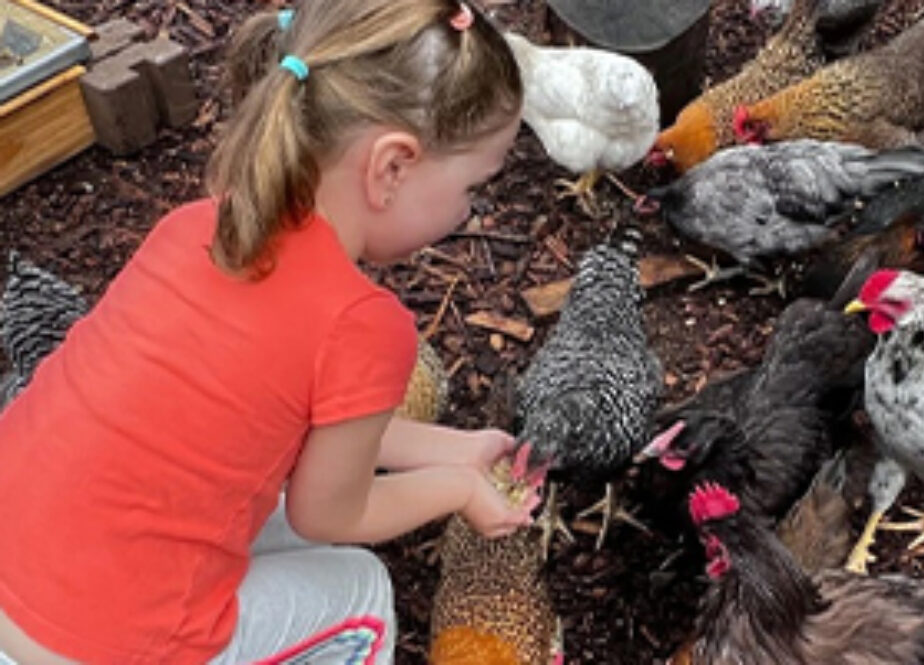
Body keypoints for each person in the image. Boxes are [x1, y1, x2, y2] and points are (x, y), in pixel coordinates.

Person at [0, 1, 532, 663]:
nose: (469, 211)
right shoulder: (361, 325)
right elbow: (329, 513)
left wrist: (454, 450)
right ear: (392, 166)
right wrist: (457, 490)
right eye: (472, 187)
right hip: (96, 643)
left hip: (17, 553)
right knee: (359, 592)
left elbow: (305, 424)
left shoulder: (197, 227)